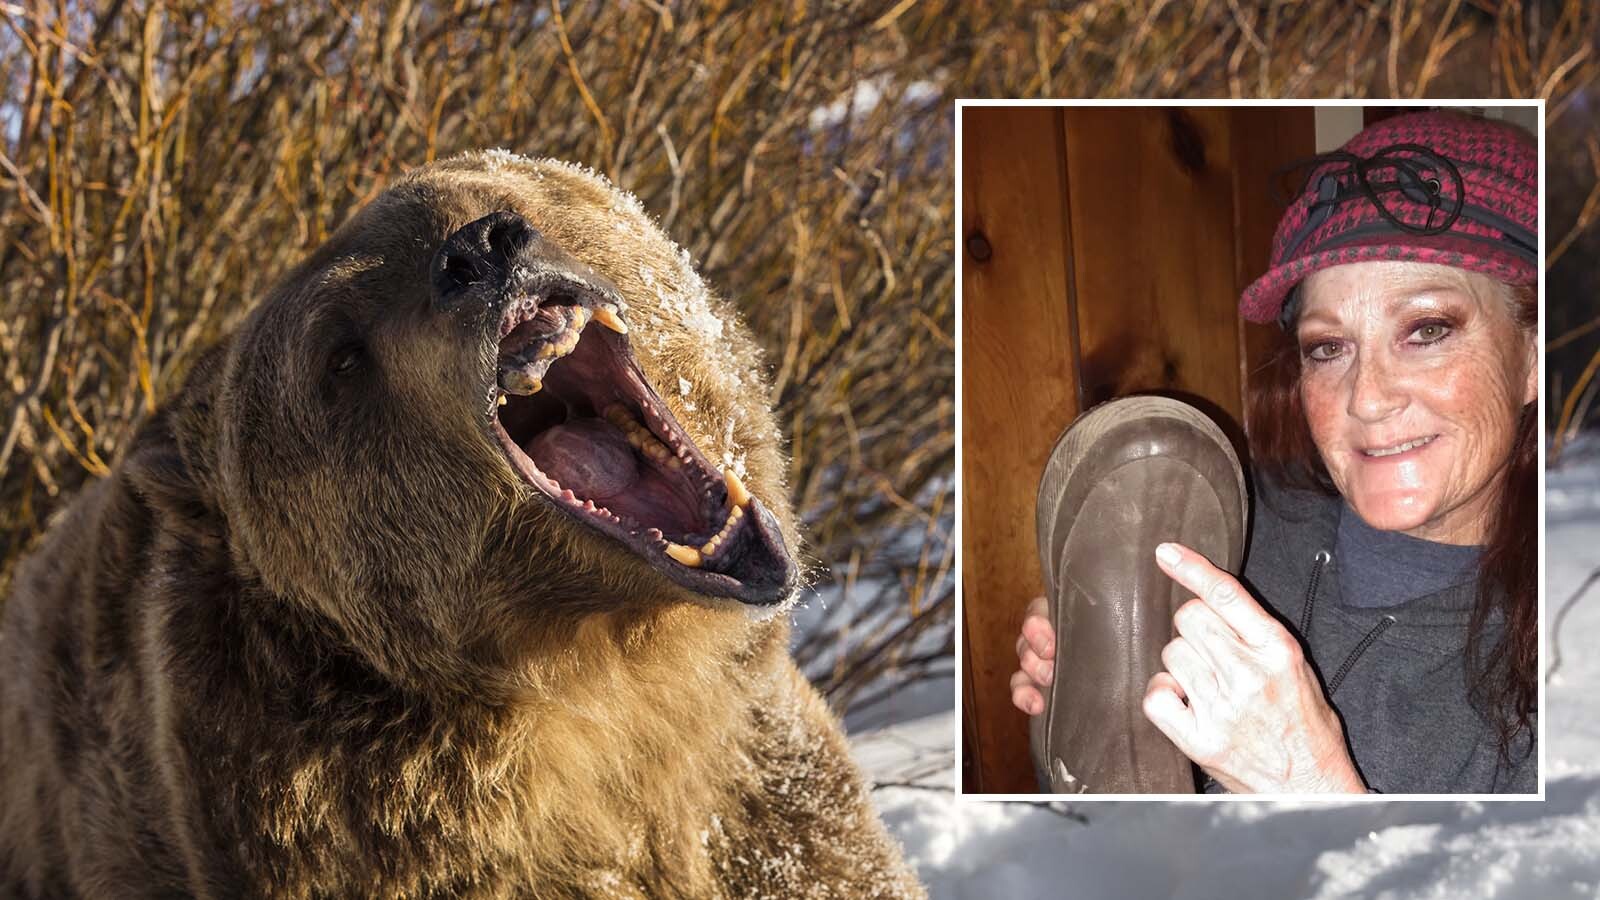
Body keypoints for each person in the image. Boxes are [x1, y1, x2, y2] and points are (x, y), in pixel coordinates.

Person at [1010, 109, 1539, 794]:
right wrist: (1071, 677)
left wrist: (1313, 787)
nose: (1368, 399)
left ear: (1533, 353)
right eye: (1328, 347)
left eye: (1427, 329)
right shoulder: (1225, 535)